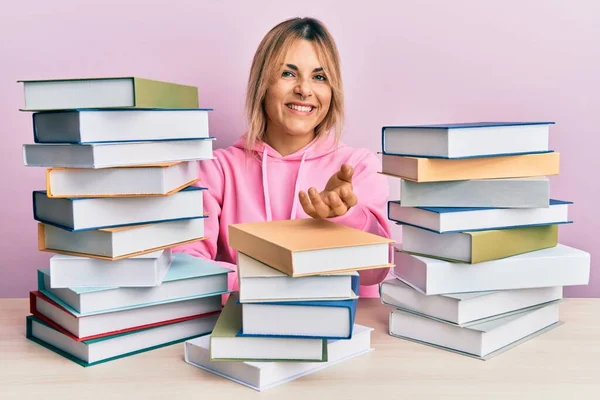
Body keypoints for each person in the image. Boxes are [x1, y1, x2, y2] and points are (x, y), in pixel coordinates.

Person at [173, 17, 391, 297]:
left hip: (343, 330)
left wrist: (345, 216)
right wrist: (278, 286)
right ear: (262, 84)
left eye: (319, 77)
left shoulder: (358, 166)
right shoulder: (215, 170)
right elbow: (188, 268)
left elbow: (376, 273)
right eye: (288, 74)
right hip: (247, 328)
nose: (304, 89)